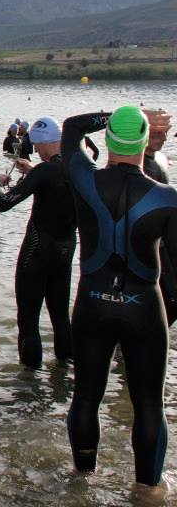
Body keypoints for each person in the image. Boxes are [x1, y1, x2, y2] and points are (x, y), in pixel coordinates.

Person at [62, 106, 177, 490]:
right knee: (149, 404)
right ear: (145, 142)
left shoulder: (84, 179)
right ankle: (147, 491)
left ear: (109, 139)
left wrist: (118, 114)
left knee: (86, 396)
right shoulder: (168, 198)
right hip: (144, 307)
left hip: (92, 302)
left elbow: (72, 127)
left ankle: (82, 478)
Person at [0, 117, 75, 368]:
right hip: (65, 250)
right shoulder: (77, 167)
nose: (36, 151)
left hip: (37, 251)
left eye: (37, 146)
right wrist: (32, 171)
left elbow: (3, 203)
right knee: (61, 316)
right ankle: (64, 372)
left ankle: (29, 379)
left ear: (45, 141)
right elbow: (55, 183)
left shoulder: (44, 171)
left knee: (28, 319)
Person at [143, 113, 176, 324]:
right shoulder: (137, 165)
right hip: (148, 247)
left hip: (166, 244)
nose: (164, 138)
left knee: (171, 303)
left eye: (165, 133)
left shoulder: (162, 159)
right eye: (157, 133)